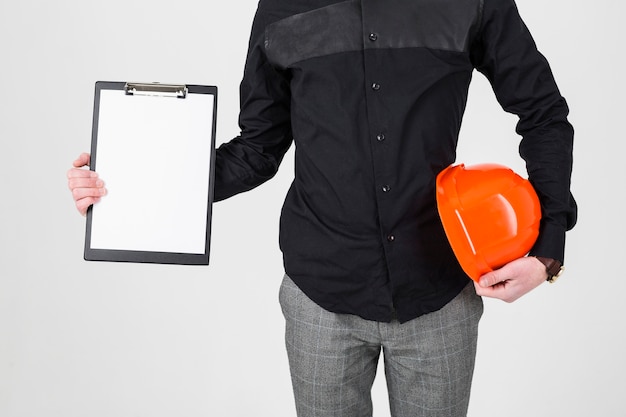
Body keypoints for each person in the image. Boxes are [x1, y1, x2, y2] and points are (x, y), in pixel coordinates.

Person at [67, 0, 577, 415]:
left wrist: (546, 249)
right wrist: (125, 184)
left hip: (439, 295)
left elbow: (543, 111)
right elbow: (257, 150)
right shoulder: (280, 10)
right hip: (320, 301)